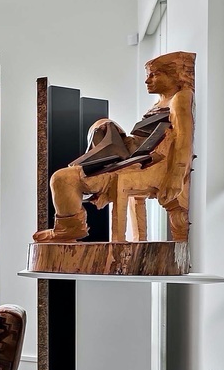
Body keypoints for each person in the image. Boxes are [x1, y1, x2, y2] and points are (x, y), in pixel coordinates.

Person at [33, 51, 193, 243]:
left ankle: (69, 229)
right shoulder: (159, 102)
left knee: (63, 178)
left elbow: (184, 139)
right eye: (148, 74)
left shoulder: (180, 97)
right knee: (70, 169)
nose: (147, 81)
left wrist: (176, 176)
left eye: (155, 74)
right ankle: (69, 227)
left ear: (174, 75)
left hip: (144, 165)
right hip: (131, 158)